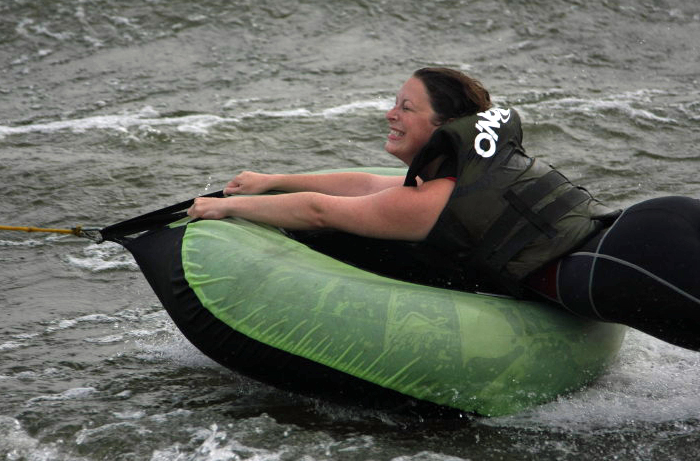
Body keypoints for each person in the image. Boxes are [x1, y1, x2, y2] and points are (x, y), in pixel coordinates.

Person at [188, 67, 700, 351]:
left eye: (406, 108)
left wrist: (232, 210)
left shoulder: (427, 204)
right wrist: (273, 180)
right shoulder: (467, 176)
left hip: (621, 266)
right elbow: (365, 182)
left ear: (441, 128)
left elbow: (322, 213)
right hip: (650, 223)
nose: (390, 114)